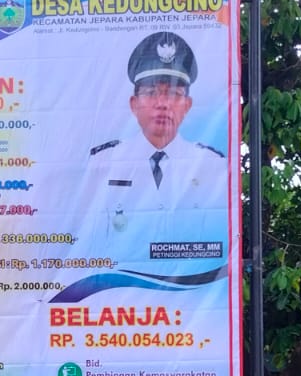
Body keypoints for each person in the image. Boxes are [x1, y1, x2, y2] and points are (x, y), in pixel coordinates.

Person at [53, 30, 229, 301]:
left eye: (173, 93)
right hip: (117, 302)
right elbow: (84, 239)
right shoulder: (103, 163)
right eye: (151, 93)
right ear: (134, 104)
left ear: (187, 105)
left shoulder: (212, 167)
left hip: (188, 302)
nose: (162, 104)